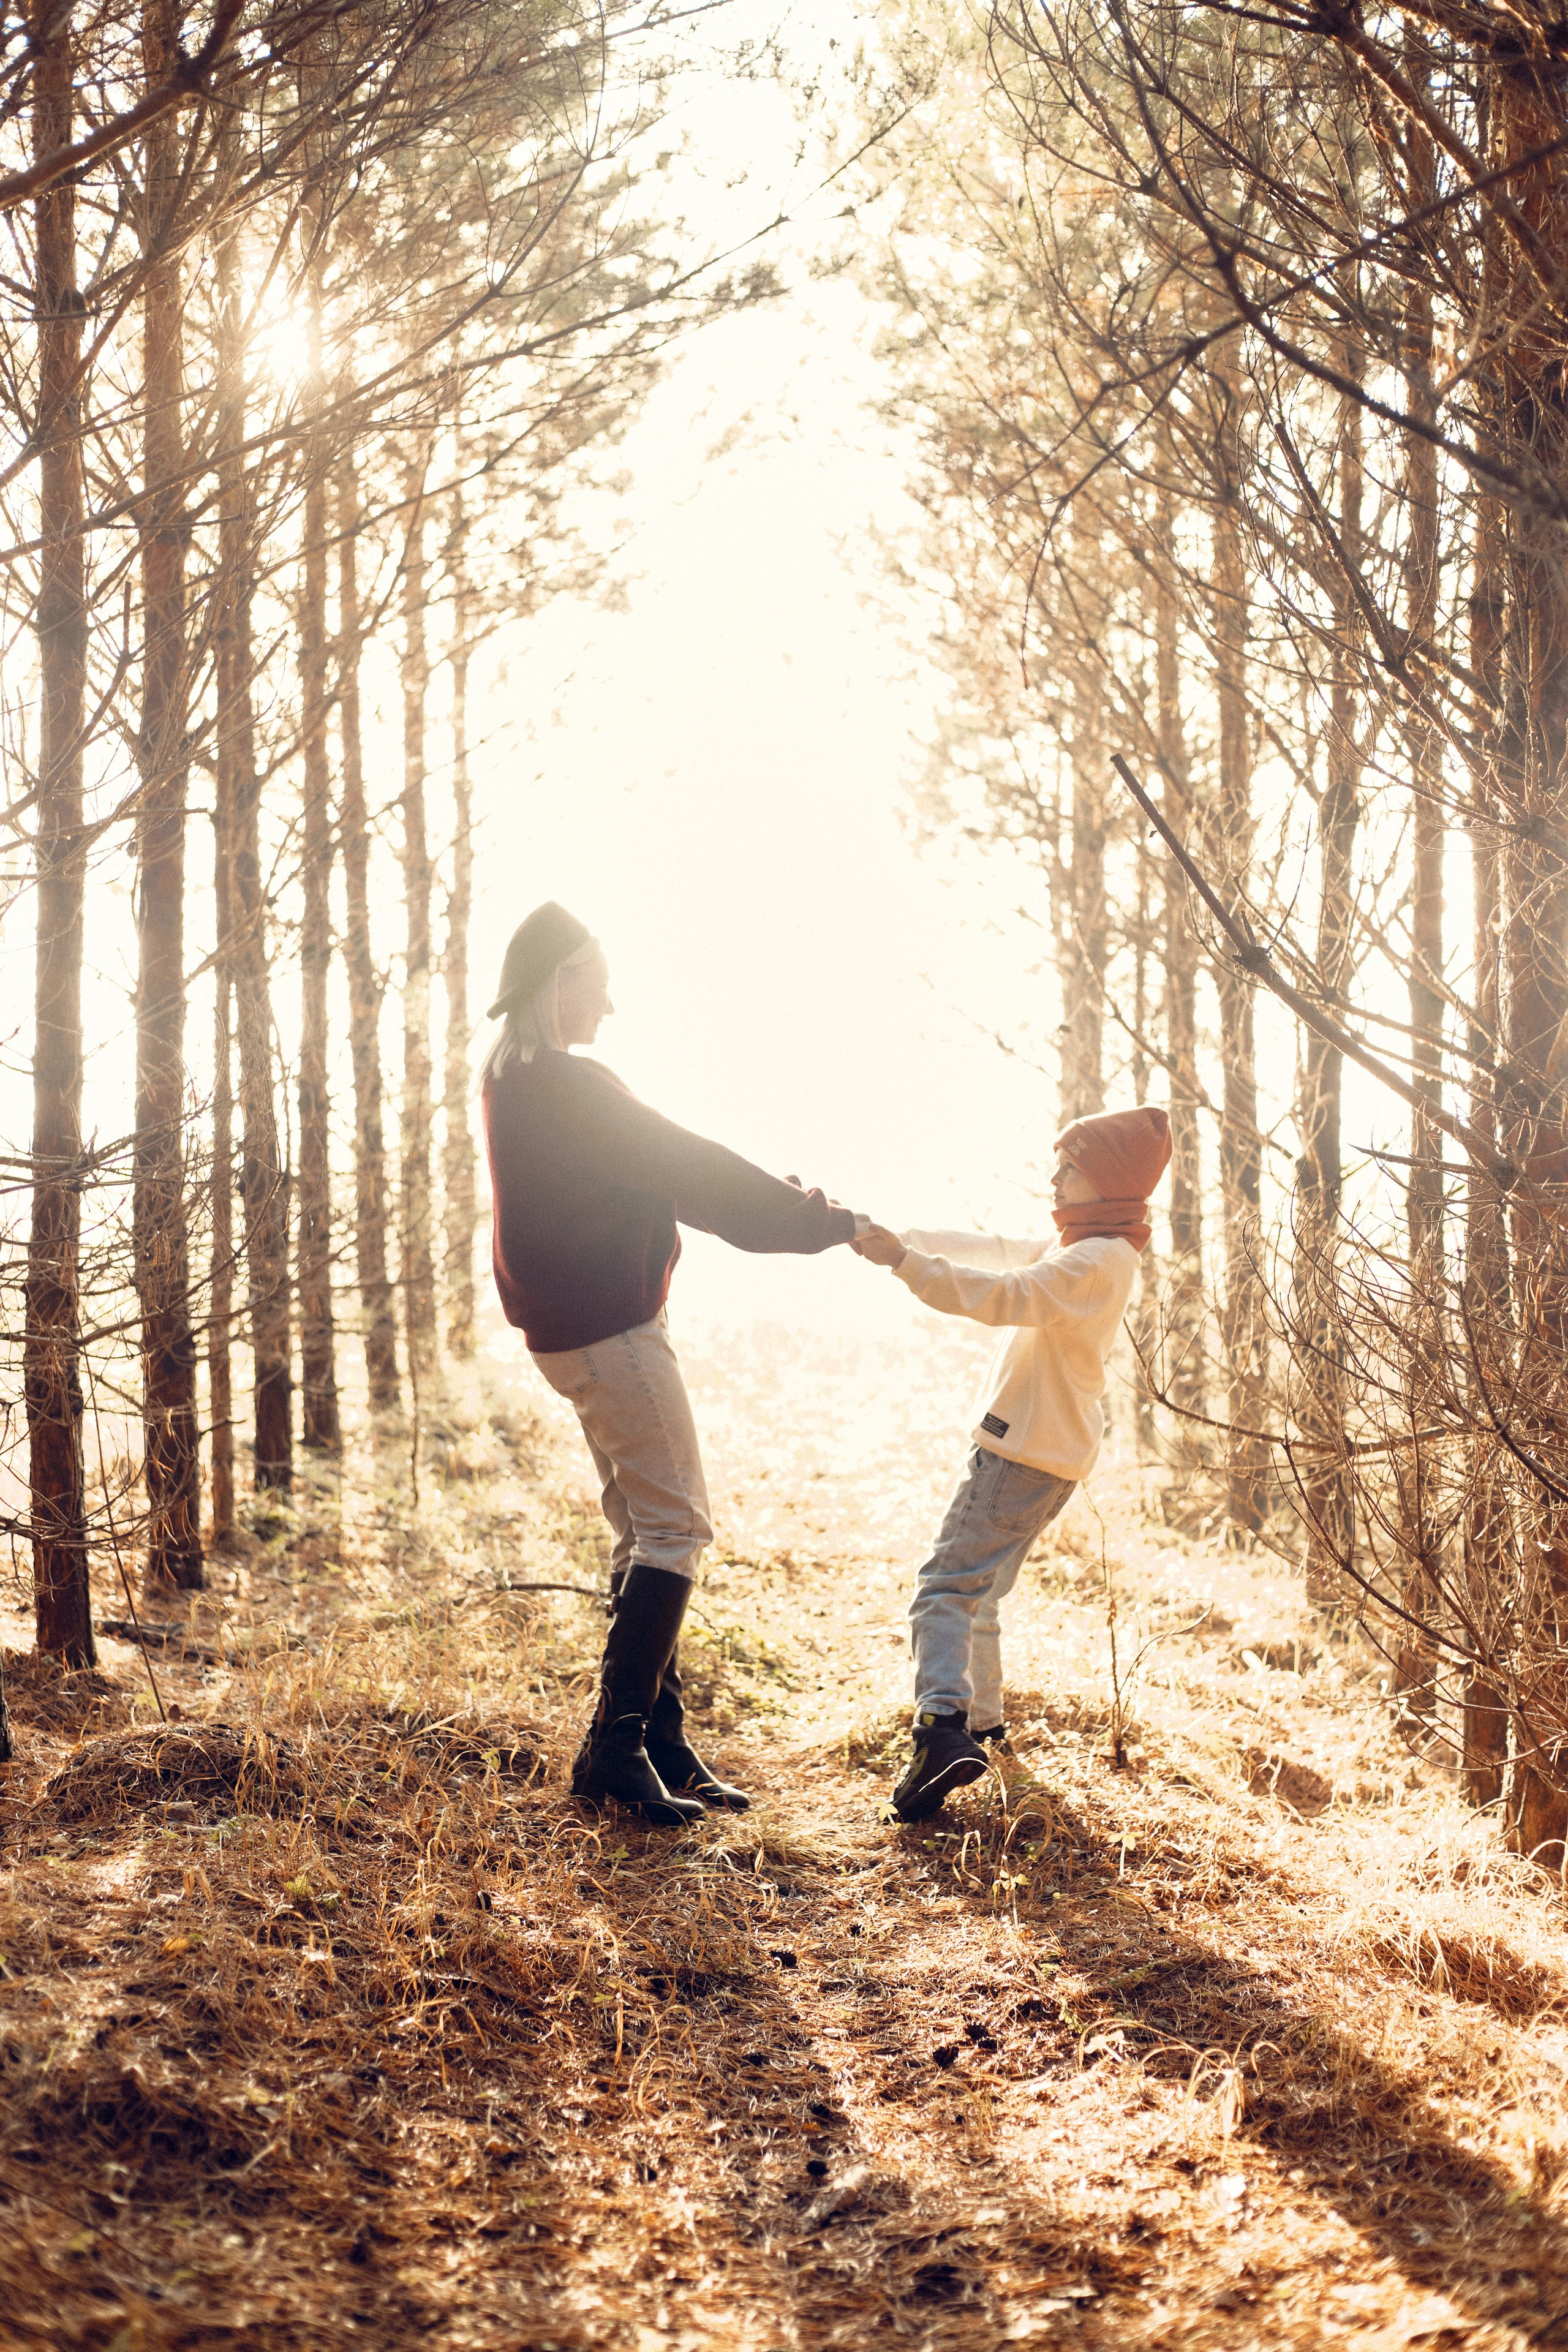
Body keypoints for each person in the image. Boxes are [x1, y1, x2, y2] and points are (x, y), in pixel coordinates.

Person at [480, 901, 858, 1825]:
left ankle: (655, 1742)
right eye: (598, 985)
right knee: (678, 1528)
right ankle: (614, 1748)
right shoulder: (566, 1086)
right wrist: (811, 1219)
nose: (609, 1006)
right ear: (559, 981)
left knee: (642, 1528)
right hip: (614, 1336)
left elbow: (662, 1171)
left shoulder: (513, 1081)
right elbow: (686, 1162)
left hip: (570, 1339)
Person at [852, 1106, 1172, 1822]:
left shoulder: (1092, 1261)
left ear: (1110, 1184)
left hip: (1017, 1452)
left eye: (1070, 1168)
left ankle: (939, 1730)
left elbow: (1003, 1295)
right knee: (982, 1593)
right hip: (1049, 1455)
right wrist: (892, 1237)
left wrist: (904, 1264)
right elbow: (996, 1249)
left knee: (942, 1587)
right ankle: (985, 1730)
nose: (1053, 1178)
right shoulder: (1092, 1247)